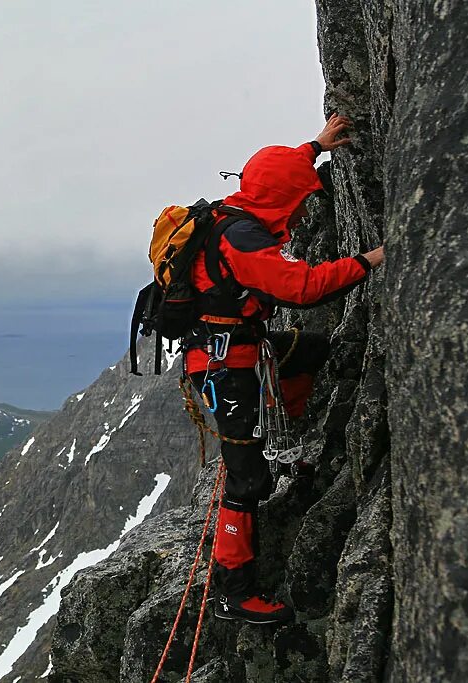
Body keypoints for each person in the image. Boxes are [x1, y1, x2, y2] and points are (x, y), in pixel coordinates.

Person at [184, 114, 385, 624]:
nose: (296, 218)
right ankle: (232, 593)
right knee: (246, 483)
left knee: (312, 351)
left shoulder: (237, 208)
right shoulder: (245, 239)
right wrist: (372, 259)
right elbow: (301, 288)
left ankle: (290, 442)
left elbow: (277, 174)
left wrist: (314, 147)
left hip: (237, 348)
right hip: (226, 367)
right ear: (280, 202)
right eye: (295, 206)